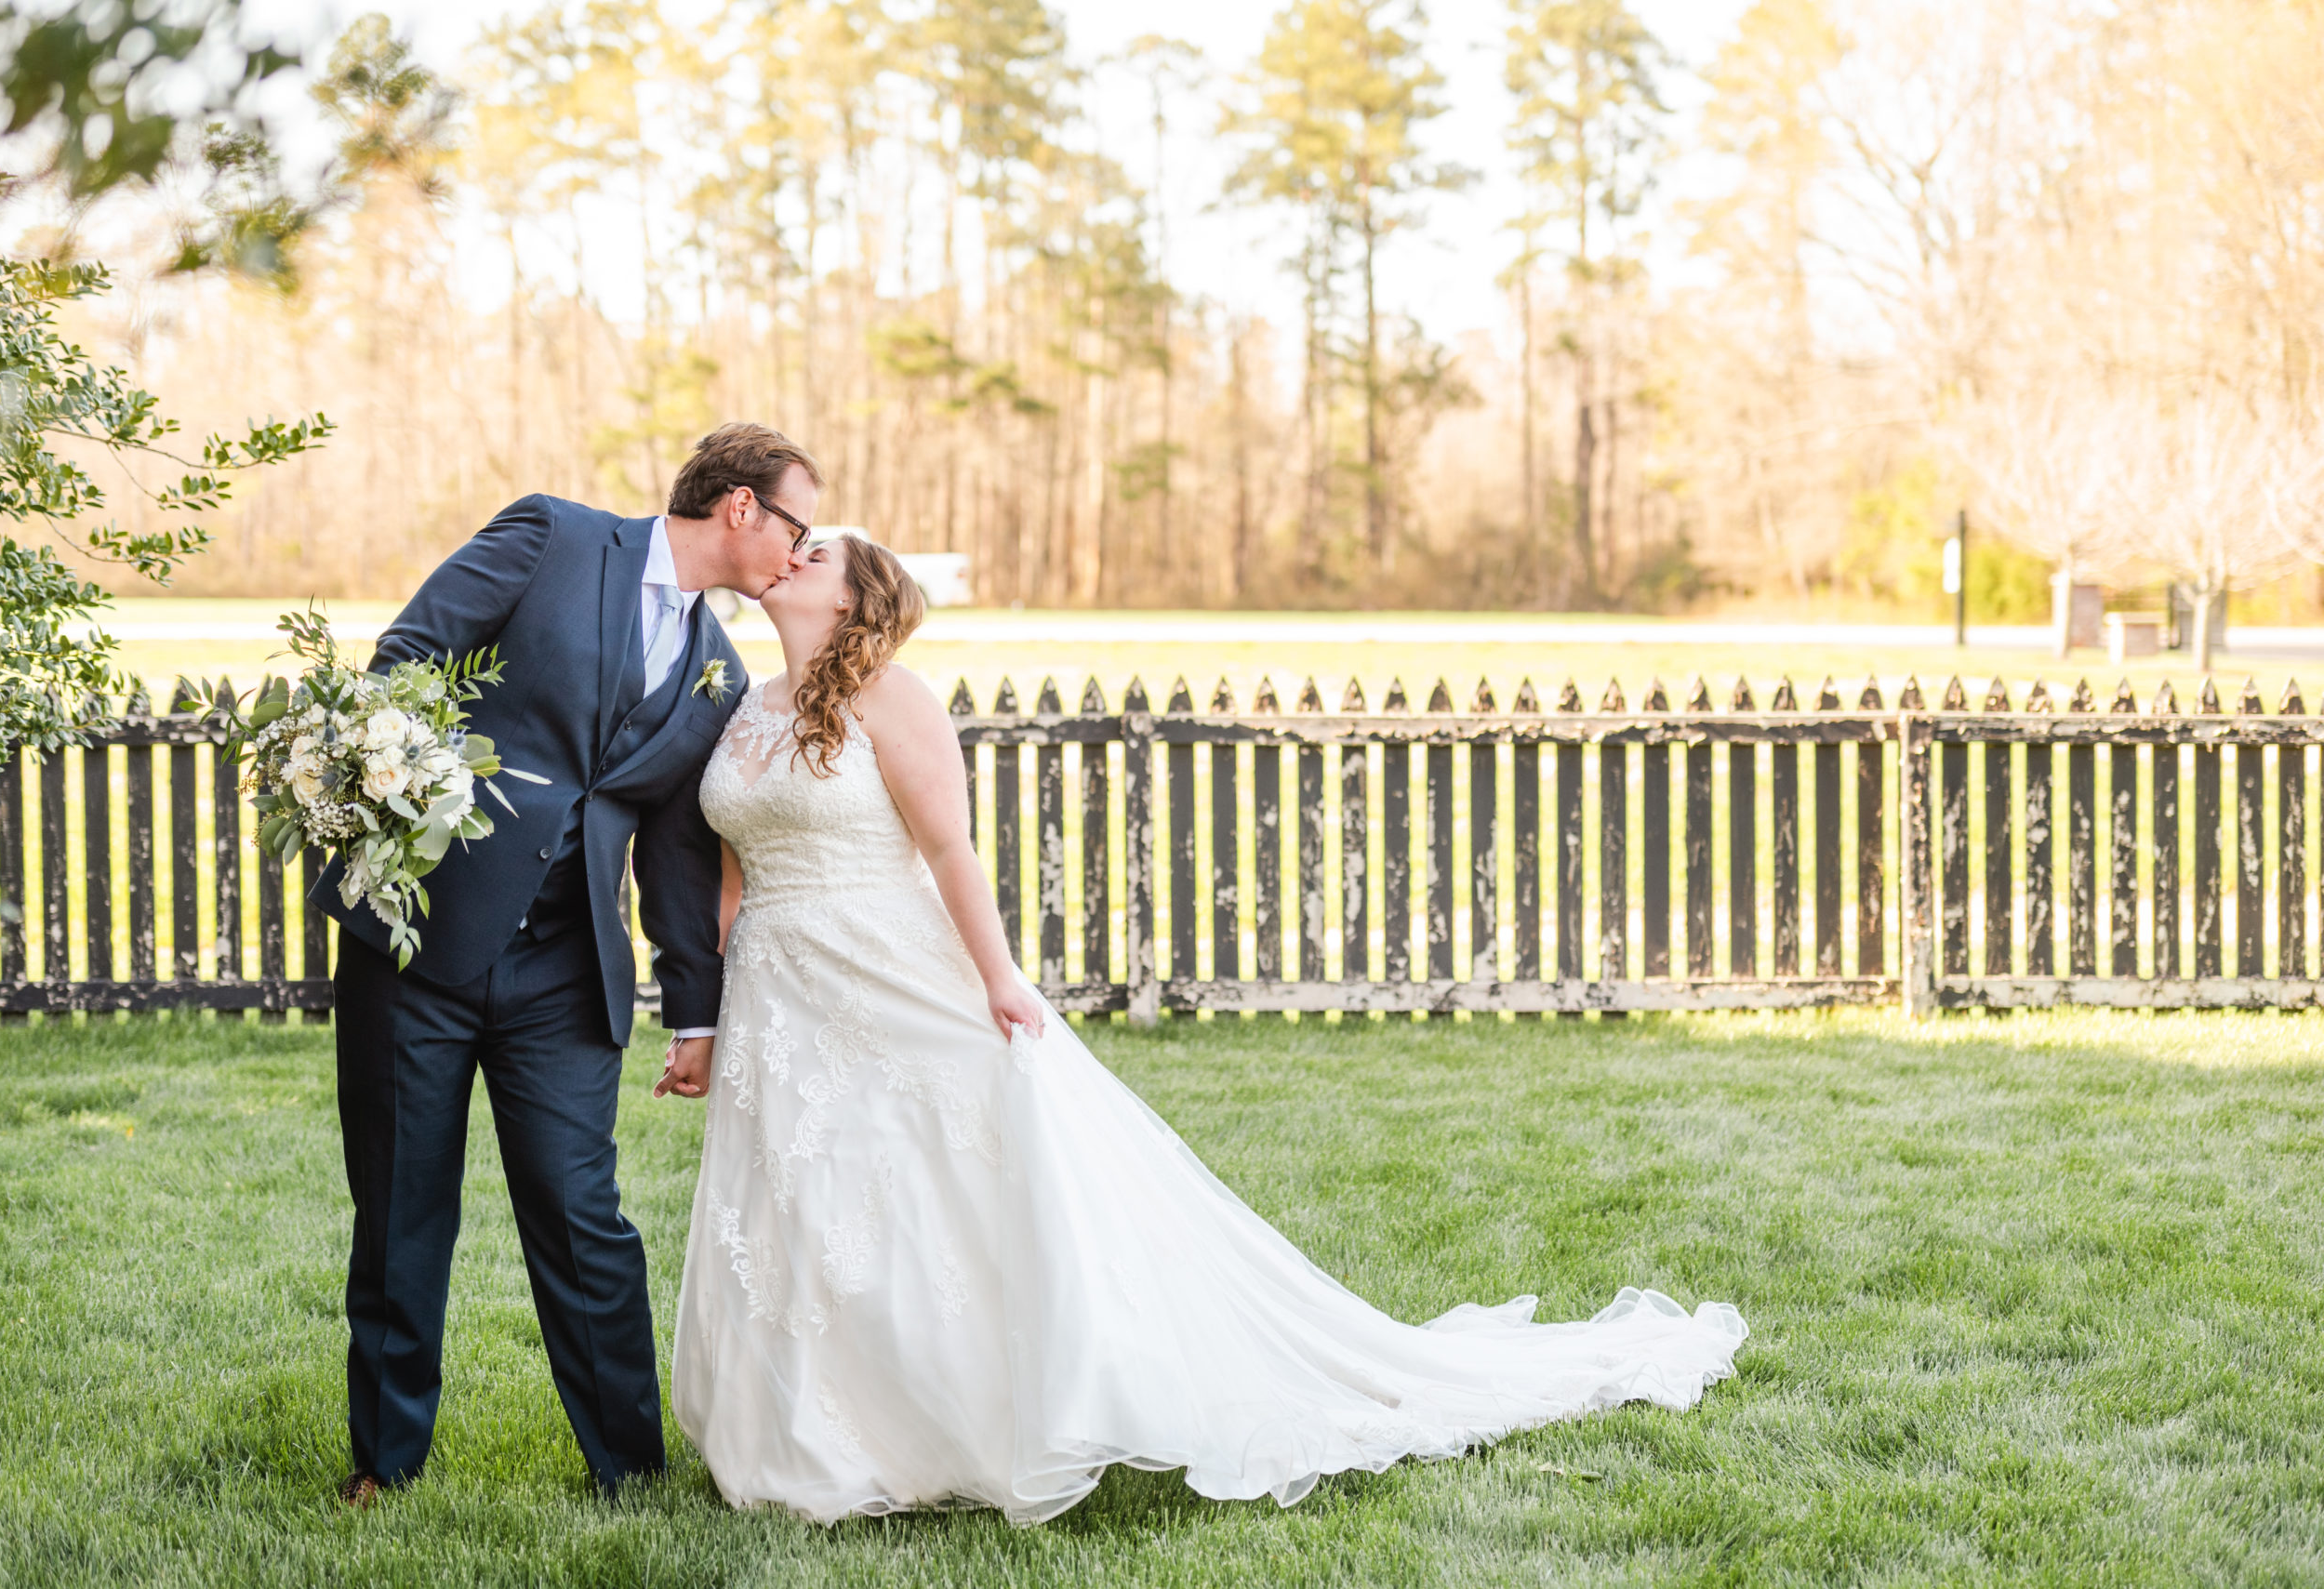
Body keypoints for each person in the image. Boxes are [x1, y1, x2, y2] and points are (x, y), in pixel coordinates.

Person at [660, 535, 1749, 1525]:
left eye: (816, 555)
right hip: (778, 992)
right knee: (800, 1198)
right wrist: (706, 1008)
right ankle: (816, 1435)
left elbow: (949, 853)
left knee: (909, 1186)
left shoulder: (896, 700)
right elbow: (732, 868)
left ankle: (948, 1423)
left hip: (891, 969)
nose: (789, 559)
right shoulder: (747, 706)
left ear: (856, 599)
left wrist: (999, 979)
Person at [312, 423, 819, 1507]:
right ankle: (385, 1461)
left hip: (565, 976)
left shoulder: (715, 677)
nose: (798, 548)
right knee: (402, 1206)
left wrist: (698, 1010)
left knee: (585, 1215)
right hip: (418, 944)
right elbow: (405, 660)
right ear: (738, 506)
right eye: (794, 523)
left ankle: (627, 1468)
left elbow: (680, 856)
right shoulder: (550, 536)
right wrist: (412, 816)